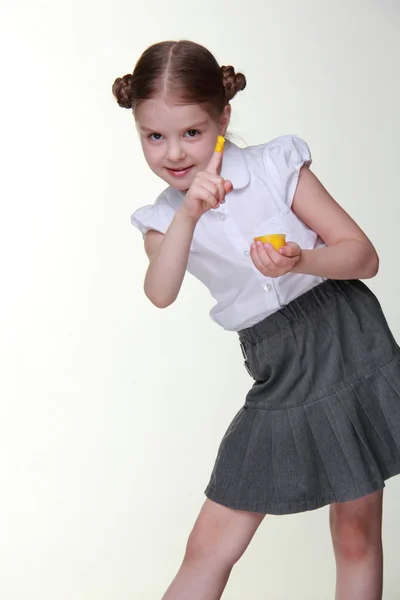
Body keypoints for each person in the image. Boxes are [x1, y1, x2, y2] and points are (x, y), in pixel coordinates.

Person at [112, 39, 400, 600]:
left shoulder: (274, 166)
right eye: (154, 136)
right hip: (279, 363)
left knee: (357, 532)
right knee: (209, 547)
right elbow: (160, 292)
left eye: (192, 132)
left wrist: (303, 259)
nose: (173, 152)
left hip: (346, 334)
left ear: (223, 117)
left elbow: (362, 256)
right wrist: (190, 212)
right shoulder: (162, 219)